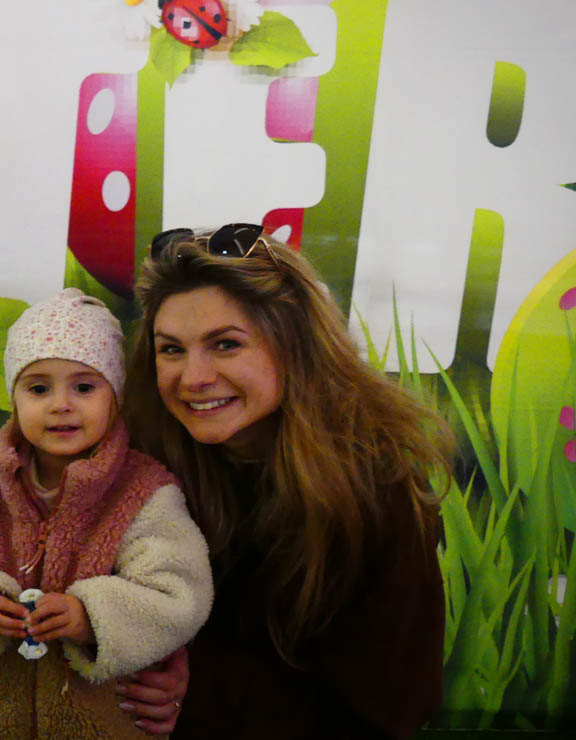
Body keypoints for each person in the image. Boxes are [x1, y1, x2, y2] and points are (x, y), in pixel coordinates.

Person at [123, 223, 454, 738]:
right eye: (172, 349)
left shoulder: (376, 488)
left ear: (296, 346)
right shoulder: (148, 460)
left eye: (226, 344)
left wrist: (196, 690)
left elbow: (395, 704)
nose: (193, 378)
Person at [0, 289, 213, 739]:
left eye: (84, 387)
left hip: (104, 723)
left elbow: (178, 589)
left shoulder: (143, 489)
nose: (60, 404)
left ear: (116, 396)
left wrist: (92, 616)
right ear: (14, 398)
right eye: (38, 388)